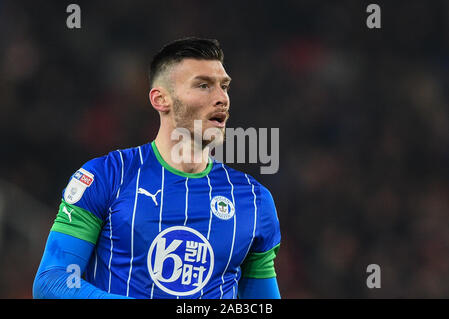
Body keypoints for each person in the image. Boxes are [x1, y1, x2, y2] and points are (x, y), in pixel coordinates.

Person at [33, 37, 281, 299]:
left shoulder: (254, 200)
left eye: (225, 87)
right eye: (203, 85)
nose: (222, 98)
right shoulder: (107, 176)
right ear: (161, 99)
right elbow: (52, 283)